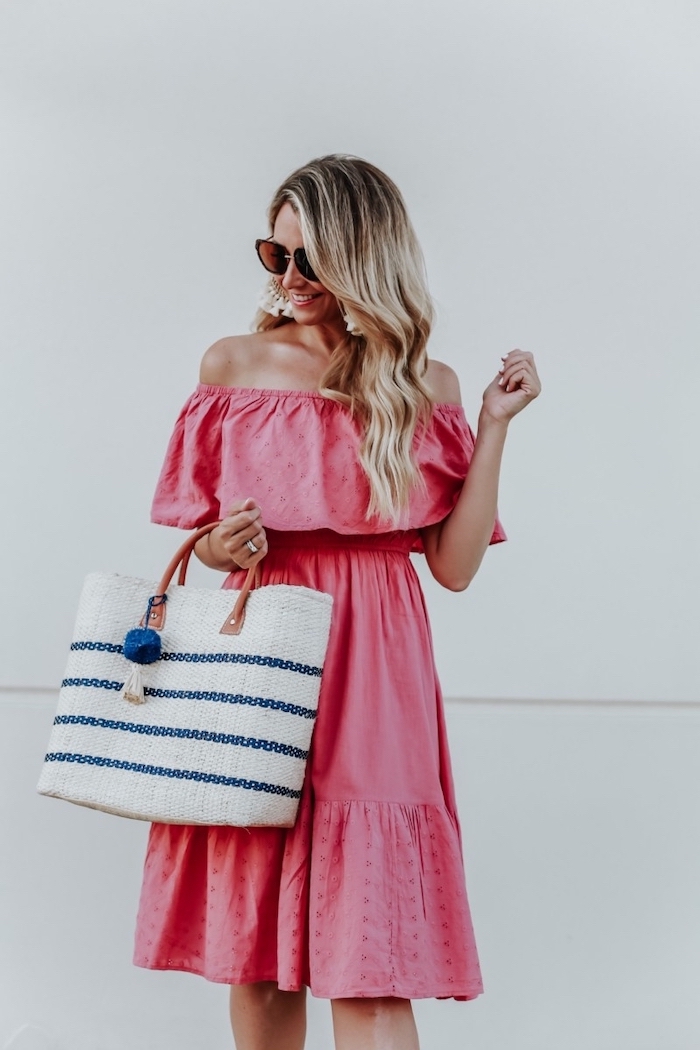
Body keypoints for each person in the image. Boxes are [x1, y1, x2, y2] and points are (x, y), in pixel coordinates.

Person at [133, 154, 540, 1050]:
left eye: (309, 261)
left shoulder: (420, 385)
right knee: (260, 953)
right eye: (273, 256)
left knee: (371, 956)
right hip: (263, 632)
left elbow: (456, 565)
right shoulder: (232, 365)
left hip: (377, 652)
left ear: (363, 257)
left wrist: (495, 425)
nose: (288, 280)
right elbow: (200, 536)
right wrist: (218, 545)